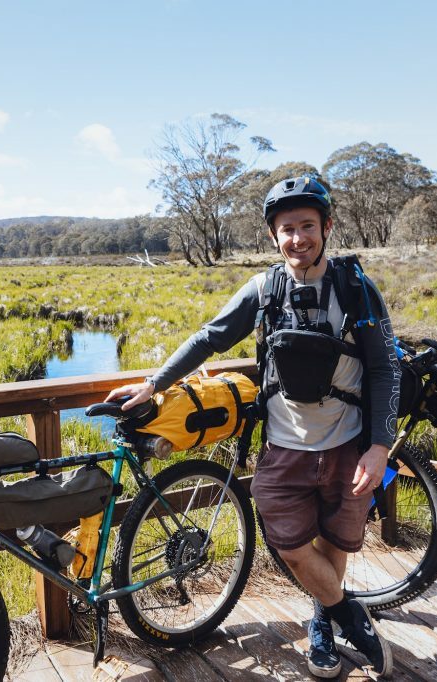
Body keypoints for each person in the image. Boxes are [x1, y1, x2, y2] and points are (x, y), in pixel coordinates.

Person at [106, 175, 400, 678]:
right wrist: (153, 385)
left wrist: (379, 447)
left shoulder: (356, 289)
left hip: (349, 445)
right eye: (287, 229)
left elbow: (384, 367)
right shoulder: (264, 289)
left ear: (326, 227)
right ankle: (350, 615)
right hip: (284, 447)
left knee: (334, 540)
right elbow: (209, 339)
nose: (297, 238)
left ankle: (323, 623)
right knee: (289, 544)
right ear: (273, 235)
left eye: (307, 225)